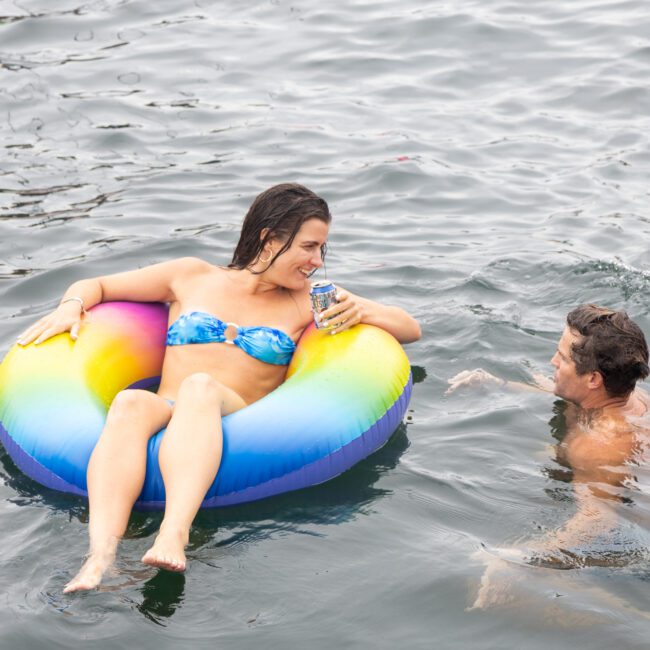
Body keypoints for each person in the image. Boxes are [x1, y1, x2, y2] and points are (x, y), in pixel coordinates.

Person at [16, 183, 421, 593]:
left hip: (234, 411)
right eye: (308, 247)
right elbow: (96, 286)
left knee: (199, 387)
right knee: (130, 401)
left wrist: (363, 308)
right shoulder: (190, 276)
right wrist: (71, 306)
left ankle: (174, 533)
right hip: (167, 406)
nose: (317, 261)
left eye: (322, 250)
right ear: (269, 238)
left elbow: (410, 328)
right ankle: (100, 558)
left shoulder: (307, 302)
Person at [448, 304, 649, 577]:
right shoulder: (620, 398)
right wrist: (496, 384)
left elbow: (597, 521)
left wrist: (520, 558)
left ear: (593, 379)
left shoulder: (600, 444)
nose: (553, 361)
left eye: (563, 358)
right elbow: (566, 395)